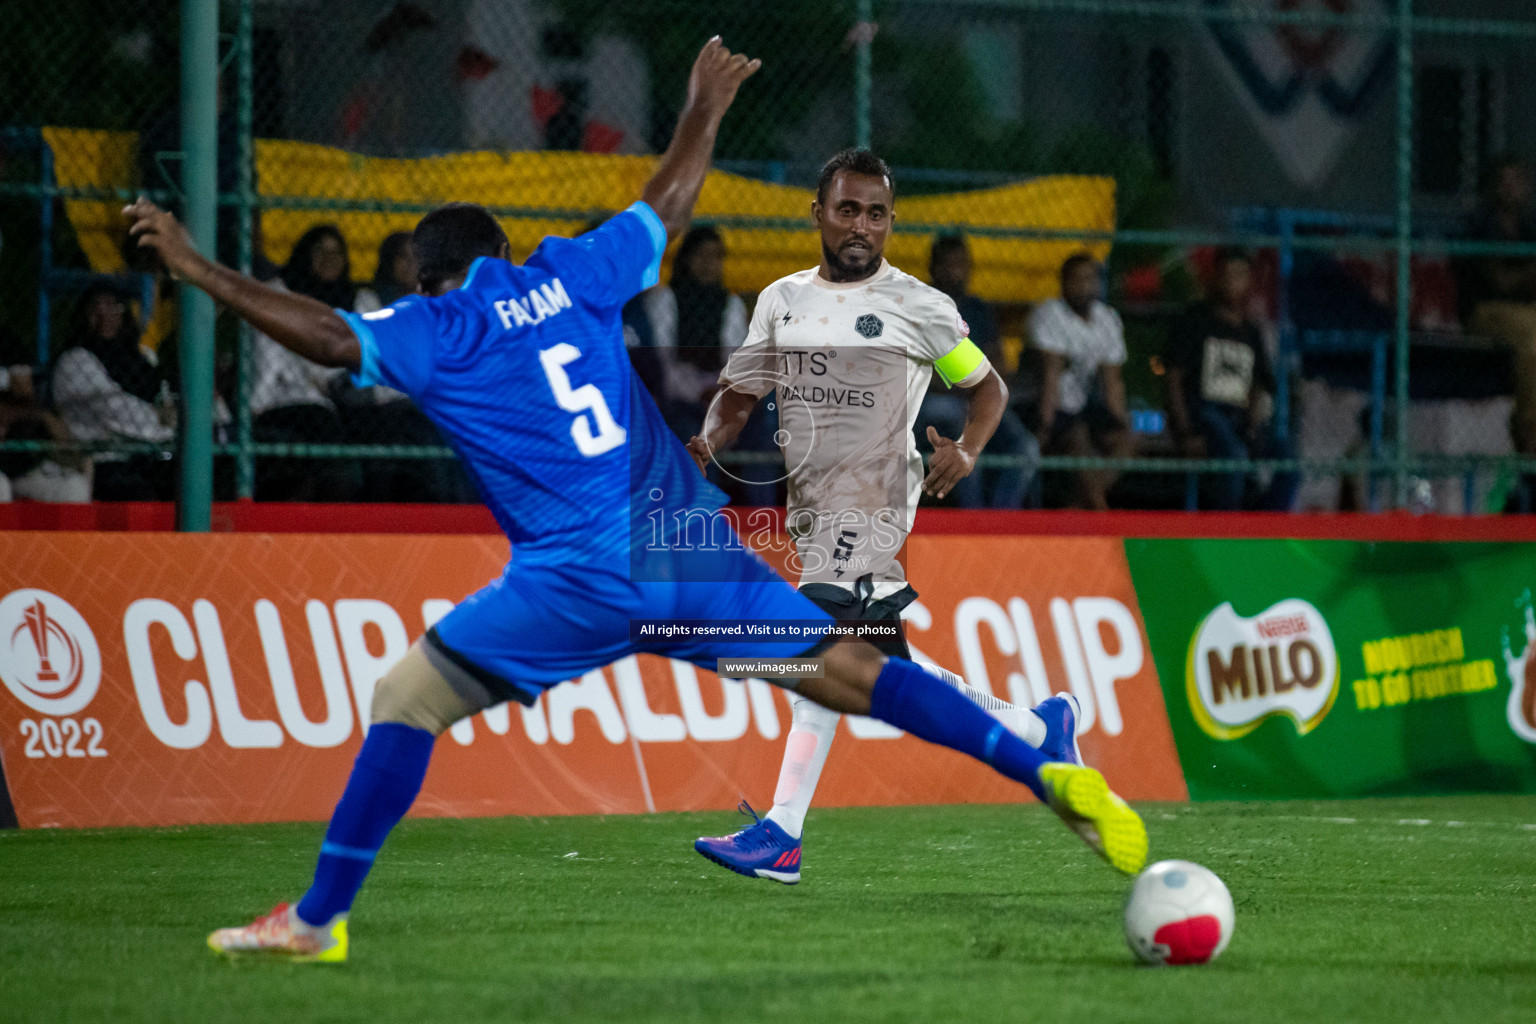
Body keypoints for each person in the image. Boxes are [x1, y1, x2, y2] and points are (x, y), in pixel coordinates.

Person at [126, 38, 1144, 964]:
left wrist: (192, 264)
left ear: (432, 275)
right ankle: (1036, 764)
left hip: (573, 575)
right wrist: (702, 105)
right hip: (684, 548)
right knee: (847, 668)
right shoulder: (570, 274)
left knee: (406, 701)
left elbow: (329, 337)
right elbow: (670, 202)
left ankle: (317, 918)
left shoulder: (444, 323)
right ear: (501, 249)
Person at [686, 150, 1082, 883]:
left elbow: (988, 389)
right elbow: (738, 395)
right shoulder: (780, 301)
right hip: (811, 514)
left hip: (871, 509)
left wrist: (966, 448)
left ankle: (782, 833)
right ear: (818, 214)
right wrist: (707, 442)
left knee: (812, 645)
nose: (861, 226)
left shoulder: (919, 306)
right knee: (878, 665)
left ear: (892, 222)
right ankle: (1038, 726)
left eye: (876, 213)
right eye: (847, 210)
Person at [1166, 249, 1297, 511]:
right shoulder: (1195, 320)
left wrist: (1252, 418)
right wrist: (1183, 431)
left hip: (1238, 418)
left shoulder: (1251, 330)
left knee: (1288, 460)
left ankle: (1265, 527)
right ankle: (1224, 529)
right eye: (1226, 276)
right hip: (1205, 414)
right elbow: (1173, 378)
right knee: (1233, 455)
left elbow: (1259, 380)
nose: (1232, 283)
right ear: (1215, 279)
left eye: (1239, 276)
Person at [916, 233, 1038, 508]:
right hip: (936, 401)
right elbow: (921, 372)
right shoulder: (920, 306)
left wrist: (982, 392)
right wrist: (969, 388)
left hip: (976, 398)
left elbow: (998, 365)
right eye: (948, 264)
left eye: (962, 264)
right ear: (933, 267)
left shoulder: (978, 309)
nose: (956, 271)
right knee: (965, 439)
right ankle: (974, 519)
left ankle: (998, 522)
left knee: (1026, 447)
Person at [348, 232, 473, 502]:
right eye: (402, 257)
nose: (410, 265)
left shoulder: (434, 304)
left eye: (417, 258)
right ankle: (440, 504)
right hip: (388, 402)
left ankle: (462, 508)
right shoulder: (369, 299)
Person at [250, 225, 361, 500]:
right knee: (320, 422)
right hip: (285, 401)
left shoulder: (353, 299)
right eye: (320, 251)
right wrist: (254, 405)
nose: (329, 259)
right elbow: (267, 358)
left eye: (337, 252)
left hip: (344, 399)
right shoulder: (281, 295)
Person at [50, 281, 175, 500]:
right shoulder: (74, 360)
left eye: (113, 305)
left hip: (149, 456)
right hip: (102, 459)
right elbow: (117, 412)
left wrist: (168, 420)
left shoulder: (137, 360)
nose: (105, 314)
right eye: (97, 306)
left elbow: (164, 398)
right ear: (85, 314)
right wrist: (167, 429)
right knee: (139, 491)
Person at [1030, 253, 1135, 510]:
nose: (1083, 286)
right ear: (1063, 283)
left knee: (1128, 439)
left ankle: (1077, 508)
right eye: (1075, 280)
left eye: (1089, 279)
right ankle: (1101, 512)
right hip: (1051, 407)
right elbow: (1050, 376)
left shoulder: (1107, 319)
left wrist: (1118, 419)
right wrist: (1045, 426)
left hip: (1086, 408)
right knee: (1077, 436)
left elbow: (1113, 381)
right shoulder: (1050, 314)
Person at [1461, 155, 1536, 455]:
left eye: (1516, 182)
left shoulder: (1528, 225)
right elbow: (1500, 282)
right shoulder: (1480, 225)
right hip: (1485, 313)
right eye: (1503, 182)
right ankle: (1530, 434)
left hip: (1526, 312)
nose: (1510, 189)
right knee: (1533, 339)